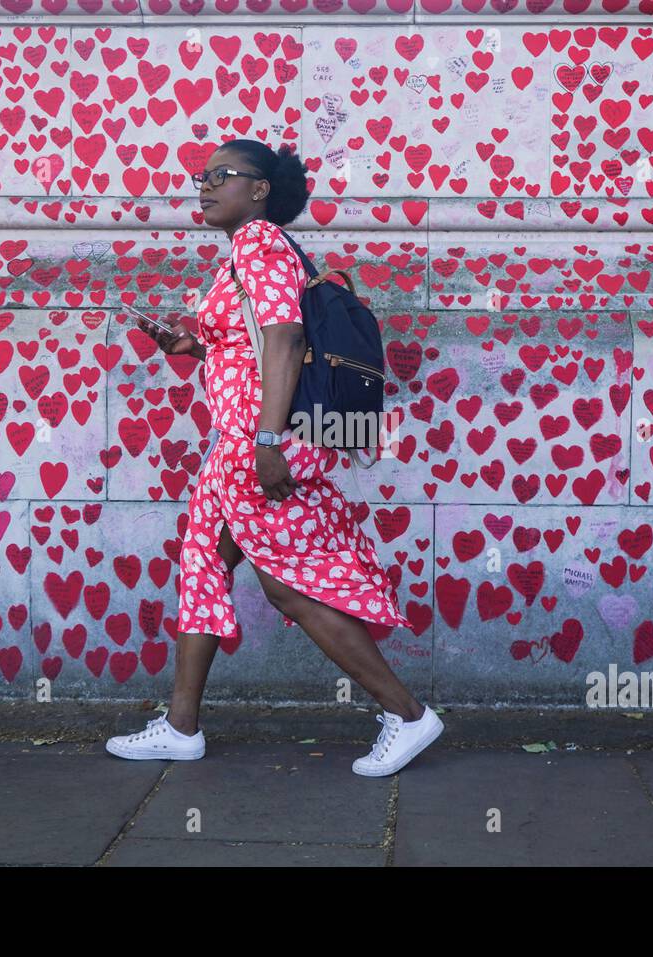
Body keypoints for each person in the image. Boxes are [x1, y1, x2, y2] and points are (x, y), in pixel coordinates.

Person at [106, 140, 443, 776]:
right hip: (231, 446)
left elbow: (285, 338)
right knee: (203, 560)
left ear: (260, 190)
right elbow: (249, 344)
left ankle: (407, 713)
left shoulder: (259, 243)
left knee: (287, 585)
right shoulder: (242, 252)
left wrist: (266, 442)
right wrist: (193, 346)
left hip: (258, 443)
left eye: (220, 176)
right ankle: (181, 726)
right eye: (201, 176)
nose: (204, 186)